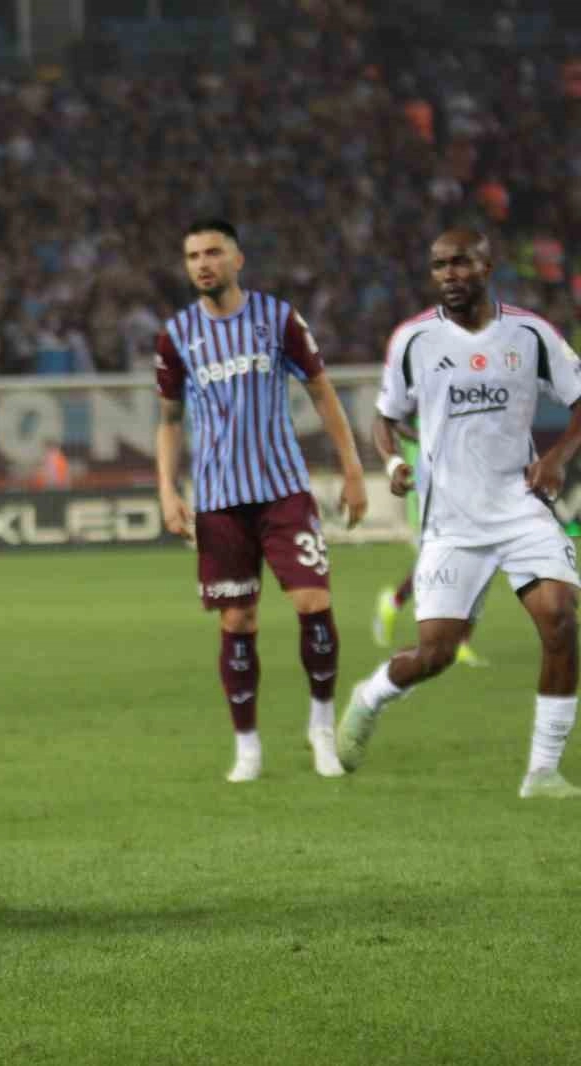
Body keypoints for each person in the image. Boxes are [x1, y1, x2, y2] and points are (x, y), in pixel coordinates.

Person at [337, 229, 581, 798]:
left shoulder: (530, 334)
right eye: (439, 265)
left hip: (521, 507)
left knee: (560, 621)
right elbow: (384, 417)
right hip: (451, 521)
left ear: (487, 266)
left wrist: (556, 457)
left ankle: (543, 772)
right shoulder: (414, 340)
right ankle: (370, 696)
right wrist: (392, 461)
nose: (449, 274)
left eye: (460, 263)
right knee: (435, 655)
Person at [154, 219, 368, 783]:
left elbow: (321, 390)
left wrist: (352, 469)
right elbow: (169, 420)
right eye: (193, 255)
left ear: (237, 259)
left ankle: (321, 728)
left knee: (313, 602)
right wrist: (167, 489)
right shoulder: (177, 335)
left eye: (213, 252)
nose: (203, 264)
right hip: (219, 501)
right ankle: (247, 747)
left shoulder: (278, 319)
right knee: (238, 618)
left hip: (283, 491)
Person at [370, 420, 487, 666]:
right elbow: (392, 419)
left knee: (474, 563)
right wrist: (423, 438)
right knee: (436, 565)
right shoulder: (418, 396)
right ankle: (393, 603)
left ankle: (461, 641)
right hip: (427, 486)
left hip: (466, 483)